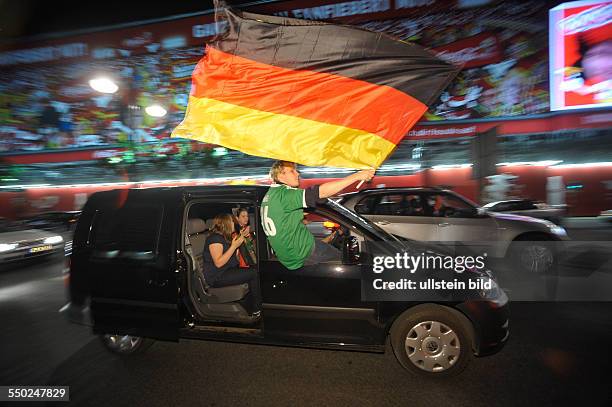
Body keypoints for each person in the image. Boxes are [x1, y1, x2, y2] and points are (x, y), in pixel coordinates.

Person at [261, 160, 374, 270]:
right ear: (280, 176)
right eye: (292, 171)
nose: (298, 173)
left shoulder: (271, 195)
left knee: (326, 242)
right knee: (351, 262)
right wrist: (357, 176)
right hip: (303, 253)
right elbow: (320, 192)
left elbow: (285, 216)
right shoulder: (286, 194)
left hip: (288, 257)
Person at [202, 213, 261, 315]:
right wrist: (234, 246)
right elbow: (218, 263)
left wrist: (242, 239)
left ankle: (253, 302)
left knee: (255, 268)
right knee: (254, 273)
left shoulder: (226, 237)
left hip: (228, 270)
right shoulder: (214, 239)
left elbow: (235, 257)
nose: (235, 224)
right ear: (226, 224)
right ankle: (257, 308)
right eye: (232, 222)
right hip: (217, 276)